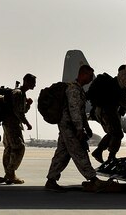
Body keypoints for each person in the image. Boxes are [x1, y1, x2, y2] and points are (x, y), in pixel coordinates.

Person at [44, 65, 112, 193]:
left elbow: (80, 112)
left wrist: (86, 127)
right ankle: (93, 179)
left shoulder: (78, 90)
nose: (91, 78)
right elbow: (74, 110)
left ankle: (51, 180)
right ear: (83, 74)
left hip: (69, 126)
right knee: (79, 152)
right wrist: (80, 129)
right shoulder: (74, 90)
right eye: (90, 75)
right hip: (70, 126)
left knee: (62, 154)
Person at [89, 68, 126, 165]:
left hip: (100, 110)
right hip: (107, 110)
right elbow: (123, 102)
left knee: (112, 133)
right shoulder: (118, 84)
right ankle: (111, 157)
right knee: (118, 134)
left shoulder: (111, 83)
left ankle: (98, 152)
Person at [3, 73, 36, 184]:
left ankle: (8, 174)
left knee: (9, 149)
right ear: (26, 81)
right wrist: (27, 124)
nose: (35, 85)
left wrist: (28, 105)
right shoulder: (18, 93)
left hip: (9, 124)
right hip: (12, 124)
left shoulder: (21, 94)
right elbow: (18, 113)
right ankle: (10, 173)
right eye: (33, 83)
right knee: (19, 148)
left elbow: (21, 110)